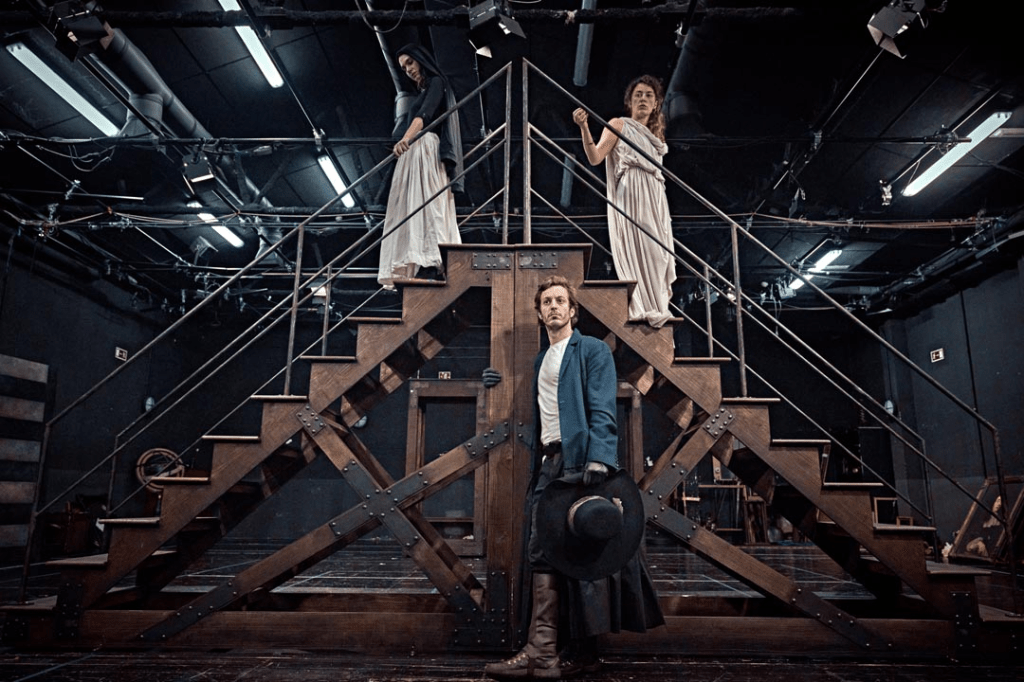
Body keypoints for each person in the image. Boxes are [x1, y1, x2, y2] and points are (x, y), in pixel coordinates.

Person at [483, 275, 664, 680]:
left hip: (579, 460)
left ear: (572, 310)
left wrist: (599, 457)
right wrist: (491, 380)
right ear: (539, 312)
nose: (553, 307)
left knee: (582, 551)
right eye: (546, 301)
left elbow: (602, 406)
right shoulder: (541, 360)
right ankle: (544, 651)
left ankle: (575, 651)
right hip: (548, 462)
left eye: (560, 300)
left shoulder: (592, 349)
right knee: (544, 548)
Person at [572, 75, 675, 327]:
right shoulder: (619, 125)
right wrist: (584, 127)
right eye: (638, 94)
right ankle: (643, 304)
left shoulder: (656, 139)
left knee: (660, 253)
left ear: (656, 104)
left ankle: (658, 305)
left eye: (649, 95)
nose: (643, 99)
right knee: (643, 246)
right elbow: (595, 157)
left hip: (655, 198)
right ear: (630, 101)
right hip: (632, 194)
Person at [377, 43, 464, 290]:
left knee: (427, 205)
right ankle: (423, 261)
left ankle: (432, 262)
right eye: (404, 68)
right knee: (416, 206)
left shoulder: (437, 82)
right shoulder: (425, 89)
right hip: (416, 150)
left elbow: (424, 115)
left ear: (420, 60)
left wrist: (406, 139)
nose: (408, 70)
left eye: (410, 63)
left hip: (424, 147)